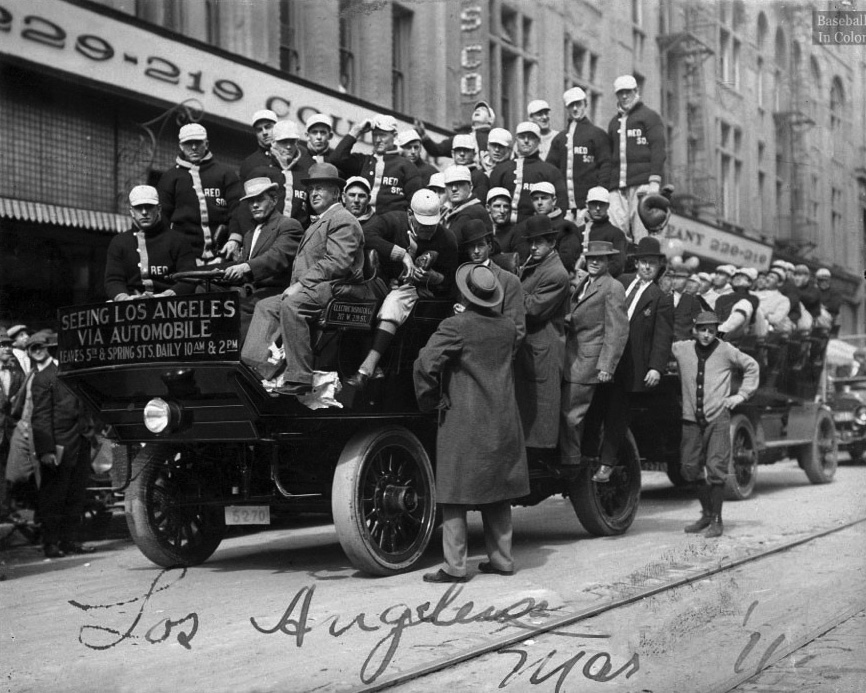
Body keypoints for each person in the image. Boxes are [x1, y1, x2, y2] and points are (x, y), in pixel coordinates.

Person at [414, 263, 529, 582]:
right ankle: (502, 559)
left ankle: (455, 566)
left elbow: (425, 364)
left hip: (464, 420)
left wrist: (430, 400)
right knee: (498, 489)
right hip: (503, 418)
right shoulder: (507, 327)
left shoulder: (456, 326)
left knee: (454, 492)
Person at [241, 164, 364, 395]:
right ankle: (257, 369)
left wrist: (301, 284)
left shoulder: (342, 219)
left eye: (321, 188)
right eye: (311, 189)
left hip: (334, 287)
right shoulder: (320, 221)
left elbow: (337, 262)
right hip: (315, 287)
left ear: (336, 193)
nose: (314, 193)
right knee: (265, 305)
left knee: (292, 305)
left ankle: (300, 377)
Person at [345, 190, 458, 390]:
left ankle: (368, 367)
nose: (427, 230)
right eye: (422, 224)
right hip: (386, 283)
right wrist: (401, 255)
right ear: (409, 214)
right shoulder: (394, 221)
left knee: (394, 302)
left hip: (421, 294)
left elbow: (451, 280)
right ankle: (366, 363)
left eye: (431, 225)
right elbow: (364, 235)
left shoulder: (447, 238)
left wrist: (433, 278)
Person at [584, 236, 673, 482]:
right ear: (636, 263)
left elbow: (662, 337)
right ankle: (587, 456)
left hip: (632, 365)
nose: (646, 267)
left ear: (658, 267)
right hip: (606, 358)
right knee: (593, 407)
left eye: (652, 264)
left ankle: (607, 463)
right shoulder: (620, 282)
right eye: (643, 262)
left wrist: (656, 367)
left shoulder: (660, 297)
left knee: (616, 415)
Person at [672, 311, 759, 538]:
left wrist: (740, 396)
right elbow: (660, 346)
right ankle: (707, 514)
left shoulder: (726, 350)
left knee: (716, 468)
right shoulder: (682, 349)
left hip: (717, 418)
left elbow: (751, 366)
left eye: (711, 330)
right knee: (689, 467)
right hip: (691, 419)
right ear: (694, 330)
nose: (706, 335)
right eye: (702, 330)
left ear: (716, 330)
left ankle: (717, 520)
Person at [559, 241, 629, 467]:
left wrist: (607, 367)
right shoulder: (585, 283)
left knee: (571, 415)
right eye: (591, 258)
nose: (594, 262)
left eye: (600, 258)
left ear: (609, 261)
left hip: (588, 362)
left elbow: (617, 330)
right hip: (571, 357)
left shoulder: (613, 287)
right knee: (567, 412)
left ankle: (572, 463)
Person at [29, 330, 97, 557]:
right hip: (59, 446)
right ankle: (51, 543)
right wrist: (46, 450)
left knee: (76, 495)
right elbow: (40, 417)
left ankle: (70, 541)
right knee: (53, 498)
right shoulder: (44, 378)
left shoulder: (76, 373)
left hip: (80, 442)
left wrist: (89, 432)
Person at [221, 177, 304, 341]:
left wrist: (245, 267)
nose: (254, 205)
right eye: (250, 202)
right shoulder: (250, 234)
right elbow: (242, 267)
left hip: (274, 292)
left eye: (259, 200)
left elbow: (277, 257)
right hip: (251, 291)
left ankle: (244, 362)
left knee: (238, 307)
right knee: (207, 295)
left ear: (274, 200)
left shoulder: (288, 225)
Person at [515, 216, 570, 451]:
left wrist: (510, 288)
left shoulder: (557, 273)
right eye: (531, 242)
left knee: (538, 413)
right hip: (531, 347)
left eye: (539, 242)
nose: (534, 247)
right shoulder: (537, 264)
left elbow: (533, 309)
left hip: (542, 350)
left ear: (552, 243)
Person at [157, 123, 242, 262]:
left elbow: (238, 210)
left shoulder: (225, 173)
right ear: (180, 146)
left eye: (198, 142)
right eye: (188, 143)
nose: (194, 147)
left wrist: (235, 239)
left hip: (224, 255)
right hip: (185, 258)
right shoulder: (170, 177)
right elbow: (162, 217)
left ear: (206, 144)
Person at [104, 185, 197, 301]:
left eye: (149, 207)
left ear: (159, 209)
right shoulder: (119, 242)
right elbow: (113, 280)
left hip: (171, 306)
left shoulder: (178, 240)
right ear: (132, 212)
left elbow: (189, 278)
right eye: (138, 208)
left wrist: (165, 296)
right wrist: (124, 298)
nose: (144, 212)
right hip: (130, 307)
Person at [606, 75, 666, 243]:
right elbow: (610, 157)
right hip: (618, 188)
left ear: (636, 92)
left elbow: (658, 149)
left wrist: (654, 181)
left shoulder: (649, 117)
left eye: (628, 92)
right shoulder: (613, 123)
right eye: (620, 93)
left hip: (642, 184)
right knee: (616, 233)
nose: (624, 96)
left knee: (642, 232)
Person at [331, 114, 422, 214]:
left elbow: (417, 204)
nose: (378, 140)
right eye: (375, 135)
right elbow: (336, 159)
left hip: (391, 226)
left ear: (395, 136)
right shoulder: (364, 161)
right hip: (363, 223)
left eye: (383, 135)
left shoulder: (406, 166)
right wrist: (356, 131)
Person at [456, 219, 526, 347]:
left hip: (494, 354)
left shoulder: (509, 281)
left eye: (481, 245)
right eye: (471, 246)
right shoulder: (462, 277)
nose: (476, 251)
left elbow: (517, 330)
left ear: (490, 246)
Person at [546, 87, 611, 218]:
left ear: (585, 104)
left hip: (589, 208)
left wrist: (597, 199)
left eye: (579, 104)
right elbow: (550, 170)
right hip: (565, 210)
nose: (575, 109)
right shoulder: (560, 139)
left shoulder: (597, 134)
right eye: (571, 105)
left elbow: (606, 167)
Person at [489, 121, 567, 224]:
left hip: (536, 229)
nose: (526, 141)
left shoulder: (550, 171)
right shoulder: (501, 170)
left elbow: (561, 204)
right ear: (516, 139)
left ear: (539, 141)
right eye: (522, 137)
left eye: (531, 137)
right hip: (504, 229)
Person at [513, 182, 582, 273]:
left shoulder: (567, 227)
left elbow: (567, 260)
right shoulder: (522, 227)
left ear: (554, 200)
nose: (540, 203)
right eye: (535, 199)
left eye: (544, 198)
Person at [417, 100, 496, 172]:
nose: (478, 110)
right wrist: (423, 135)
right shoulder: (461, 138)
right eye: (476, 110)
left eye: (483, 109)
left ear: (490, 119)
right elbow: (436, 150)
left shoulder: (496, 138)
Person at [267, 120, 315, 229]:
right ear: (274, 143)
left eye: (292, 142)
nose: (288, 147)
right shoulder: (263, 169)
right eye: (284, 142)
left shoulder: (305, 174)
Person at [575, 186, 628, 278]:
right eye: (594, 204)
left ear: (608, 206)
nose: (598, 208)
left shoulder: (616, 234)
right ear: (587, 205)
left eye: (602, 204)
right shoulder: (579, 231)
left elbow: (617, 265)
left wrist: (591, 277)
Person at [0, 328, 25, 520]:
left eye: (9, 344)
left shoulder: (17, 372)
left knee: (9, 470)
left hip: (11, 429)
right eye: (2, 345)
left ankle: (6, 507)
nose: (7, 348)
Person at [716, 267, 764, 343]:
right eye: (736, 276)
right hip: (714, 331)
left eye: (743, 276)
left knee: (745, 304)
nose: (737, 278)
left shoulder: (752, 299)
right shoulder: (723, 297)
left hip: (734, 337)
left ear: (750, 283)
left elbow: (752, 324)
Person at [441, 165, 491, 234]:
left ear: (470, 186)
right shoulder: (452, 210)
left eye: (459, 183)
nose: (454, 188)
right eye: (450, 184)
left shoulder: (471, 213)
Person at [239, 109, 279, 180]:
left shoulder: (293, 154)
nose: (264, 132)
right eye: (259, 130)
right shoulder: (249, 163)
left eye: (268, 127)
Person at [450, 133, 490, 203]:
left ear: (474, 154)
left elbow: (479, 203)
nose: (462, 154)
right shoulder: (447, 174)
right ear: (453, 153)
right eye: (458, 150)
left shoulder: (479, 177)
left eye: (466, 150)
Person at [669, 261, 703, 341]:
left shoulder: (693, 302)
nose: (675, 281)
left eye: (680, 278)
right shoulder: (664, 296)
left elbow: (699, 325)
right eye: (674, 277)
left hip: (679, 344)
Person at [755, 266, 792, 334]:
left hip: (766, 331)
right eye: (768, 276)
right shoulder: (755, 293)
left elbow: (776, 319)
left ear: (779, 283)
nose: (768, 279)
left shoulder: (783, 300)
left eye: (772, 277)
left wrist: (764, 315)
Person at [486, 187, 518, 256]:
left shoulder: (515, 232)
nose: (502, 211)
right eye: (497, 206)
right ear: (488, 208)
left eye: (506, 206)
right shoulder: (482, 230)